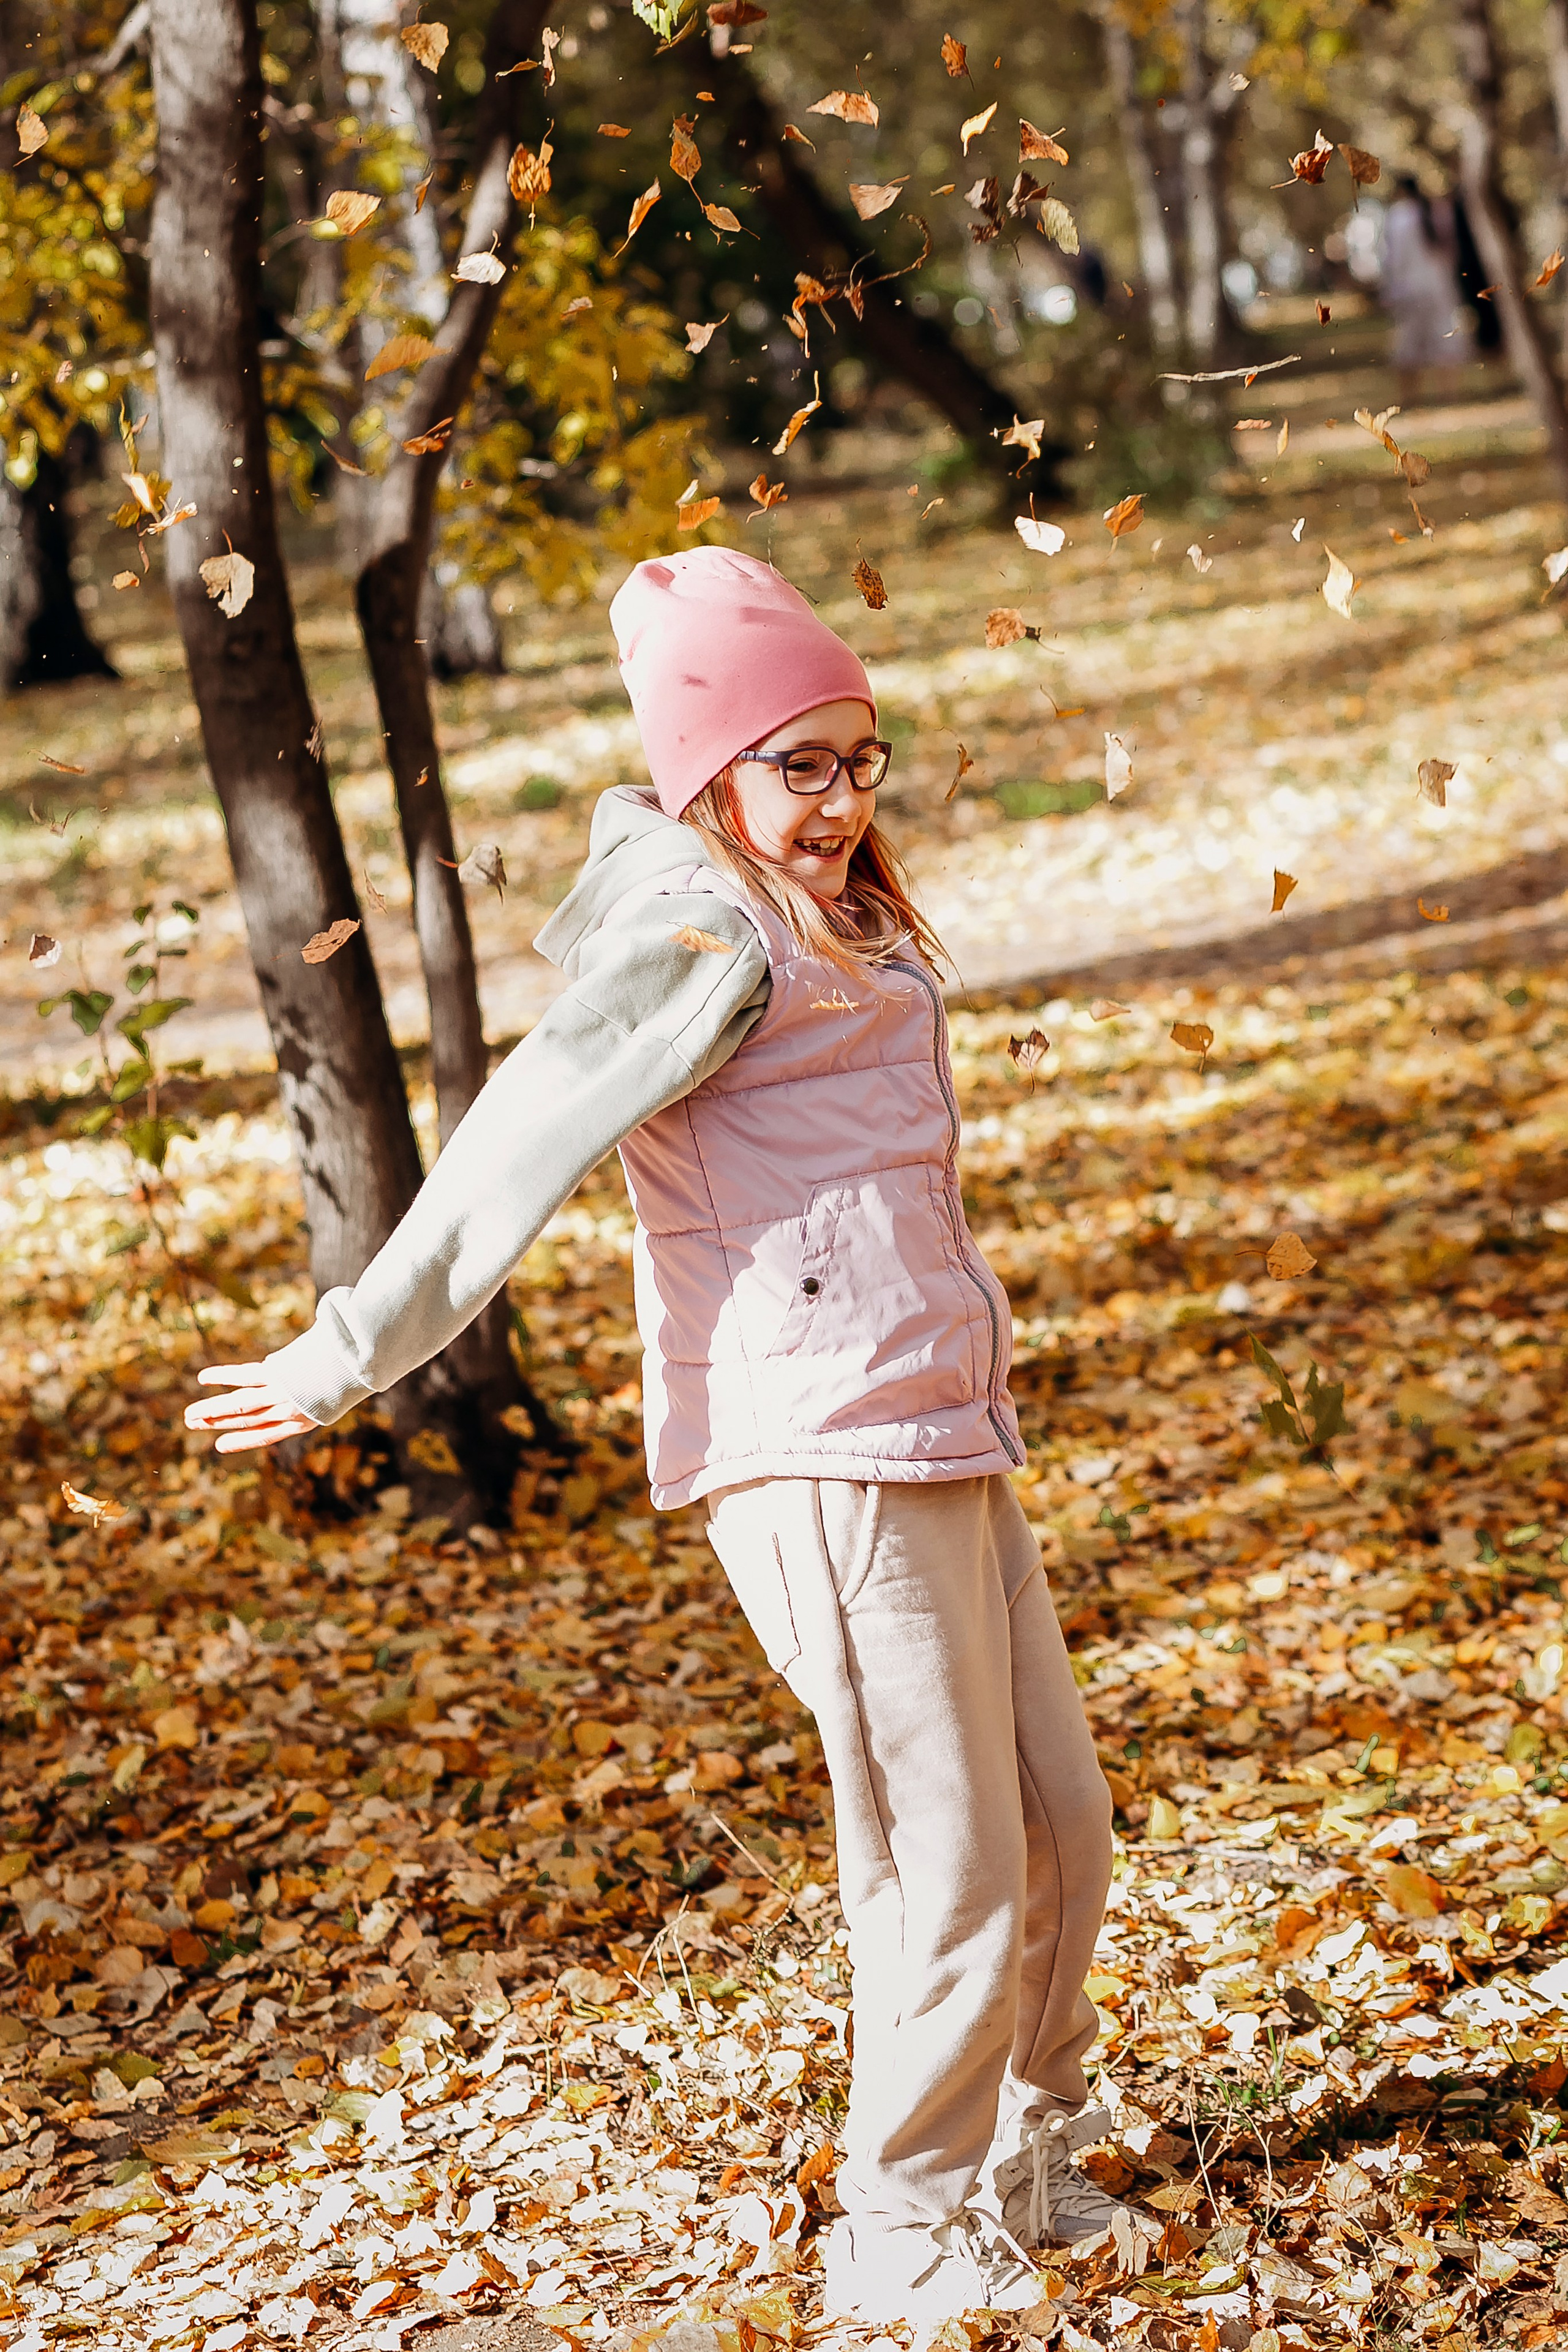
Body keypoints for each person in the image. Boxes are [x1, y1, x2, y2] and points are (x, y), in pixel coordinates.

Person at [183, 548, 1126, 2325]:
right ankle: (903, 2226)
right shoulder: (698, 932)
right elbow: (510, 1150)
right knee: (945, 1853)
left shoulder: (822, 913)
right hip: (817, 1441)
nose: (841, 799)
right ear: (709, 762)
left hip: (936, 1414)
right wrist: (346, 1351)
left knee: (1058, 1820)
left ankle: (1024, 2145)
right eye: (800, 763)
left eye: (860, 758)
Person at [1379, 175, 1468, 410]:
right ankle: (1449, 395)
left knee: (1408, 343)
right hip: (1438, 286)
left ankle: (1410, 398)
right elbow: (1452, 251)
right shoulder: (1437, 211)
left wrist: (1388, 290)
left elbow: (1393, 259)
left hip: (1408, 289)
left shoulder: (1398, 216)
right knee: (1444, 337)